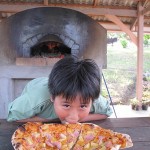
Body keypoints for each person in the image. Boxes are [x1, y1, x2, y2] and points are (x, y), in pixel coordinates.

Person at [7, 56, 112, 123]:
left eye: (83, 106)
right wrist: (51, 119)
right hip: (36, 87)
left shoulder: (90, 95)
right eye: (66, 105)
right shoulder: (36, 100)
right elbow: (14, 117)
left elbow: (106, 113)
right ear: (53, 97)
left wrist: (81, 118)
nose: (74, 118)